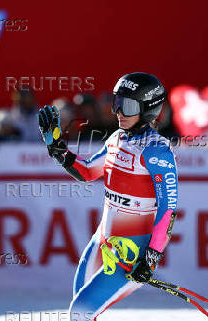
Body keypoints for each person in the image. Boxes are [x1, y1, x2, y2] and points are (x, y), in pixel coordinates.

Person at [37, 72, 178, 321]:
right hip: (102, 242)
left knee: (80, 311)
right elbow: (89, 172)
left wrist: (152, 255)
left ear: (148, 110)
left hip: (131, 253)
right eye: (116, 103)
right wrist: (58, 150)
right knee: (79, 311)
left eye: (128, 106)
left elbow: (168, 209)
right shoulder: (116, 139)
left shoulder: (157, 150)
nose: (119, 112)